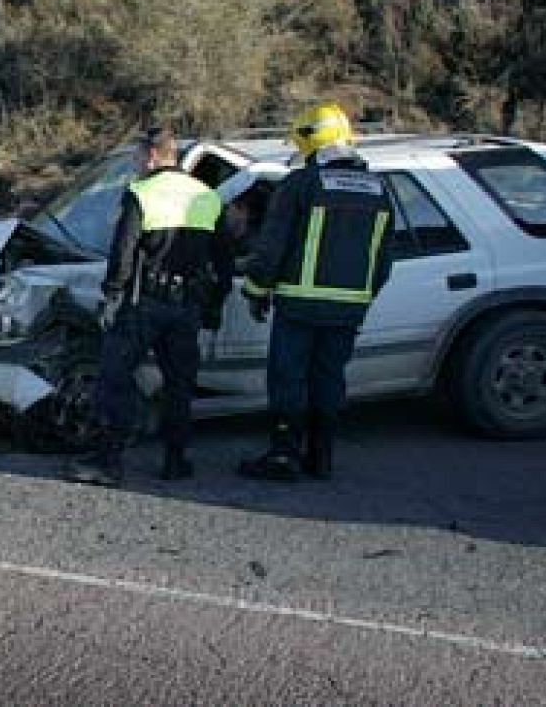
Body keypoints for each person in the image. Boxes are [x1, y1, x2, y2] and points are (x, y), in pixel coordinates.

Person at [67, 126, 234, 487]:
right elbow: (224, 260)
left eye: (137, 158)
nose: (135, 164)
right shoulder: (207, 195)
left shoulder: (141, 193)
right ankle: (176, 461)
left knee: (115, 378)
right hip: (186, 305)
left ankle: (107, 461)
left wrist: (112, 295)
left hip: (144, 303)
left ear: (153, 156)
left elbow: (123, 255)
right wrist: (215, 304)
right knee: (179, 385)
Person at [238, 103, 394, 481]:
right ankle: (321, 457)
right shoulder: (378, 190)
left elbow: (272, 246)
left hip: (299, 307)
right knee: (329, 379)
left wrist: (256, 290)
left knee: (288, 378)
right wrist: (362, 298)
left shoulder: (301, 185)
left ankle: (283, 456)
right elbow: (384, 259)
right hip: (348, 311)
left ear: (310, 143)